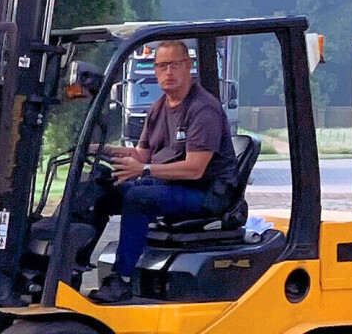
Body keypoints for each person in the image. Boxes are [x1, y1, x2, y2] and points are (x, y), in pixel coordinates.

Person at [88, 40, 242, 303]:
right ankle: (70, 264)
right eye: (161, 66)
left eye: (175, 65)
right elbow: (142, 154)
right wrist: (98, 149)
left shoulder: (202, 109)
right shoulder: (159, 107)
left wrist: (144, 171)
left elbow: (195, 169)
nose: (168, 72)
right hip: (174, 186)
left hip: (207, 194)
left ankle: (122, 279)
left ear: (189, 66)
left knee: (138, 196)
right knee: (99, 188)